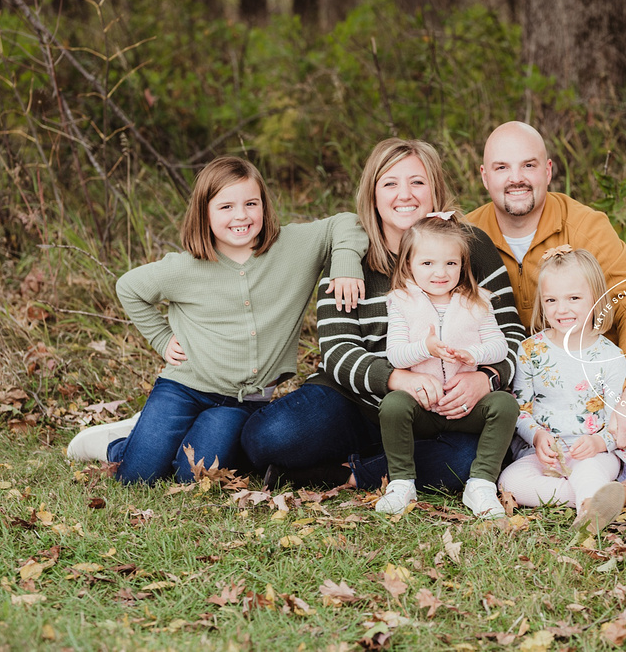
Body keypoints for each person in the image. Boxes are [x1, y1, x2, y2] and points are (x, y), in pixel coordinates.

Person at [240, 139, 527, 500]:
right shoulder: (351, 254)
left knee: (470, 459)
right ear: (373, 194)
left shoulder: (469, 245)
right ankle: (375, 459)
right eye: (390, 183)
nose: (404, 194)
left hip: (440, 410)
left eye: (417, 182)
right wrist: (395, 378)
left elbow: (512, 330)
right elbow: (337, 348)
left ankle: (350, 472)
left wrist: (488, 377)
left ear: (435, 189)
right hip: (354, 402)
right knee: (269, 437)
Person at [65, 156, 367, 484]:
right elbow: (128, 288)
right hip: (183, 387)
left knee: (191, 476)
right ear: (204, 213)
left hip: (241, 402)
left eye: (251, 203)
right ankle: (117, 444)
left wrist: (346, 264)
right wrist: (161, 339)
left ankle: (160, 436)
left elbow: (347, 222)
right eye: (226, 207)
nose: (241, 215)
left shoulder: (292, 247)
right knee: (137, 475)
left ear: (264, 207)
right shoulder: (184, 267)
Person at [466, 121, 626, 452]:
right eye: (502, 167)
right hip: (525, 374)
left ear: (547, 171)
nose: (516, 178)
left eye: (528, 165)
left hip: (599, 366)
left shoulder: (586, 226)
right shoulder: (466, 237)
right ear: (484, 176)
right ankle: (622, 445)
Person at [499, 246, 626, 534]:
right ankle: (621, 495)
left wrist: (599, 443)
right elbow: (520, 409)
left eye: (574, 298)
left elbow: (616, 420)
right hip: (546, 455)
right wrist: (536, 436)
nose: (562, 309)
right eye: (551, 300)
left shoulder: (610, 357)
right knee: (511, 482)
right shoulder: (530, 351)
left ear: (596, 299)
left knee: (588, 472)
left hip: (594, 454)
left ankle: (589, 511)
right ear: (542, 304)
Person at [375, 212, 518, 516]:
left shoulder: (476, 301)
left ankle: (481, 484)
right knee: (393, 405)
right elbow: (395, 355)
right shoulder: (401, 302)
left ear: (462, 265)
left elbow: (500, 346)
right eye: (428, 263)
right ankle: (401, 483)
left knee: (505, 405)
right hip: (423, 405)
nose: (440, 272)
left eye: (450, 263)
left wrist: (474, 355)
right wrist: (424, 348)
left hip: (464, 406)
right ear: (409, 265)